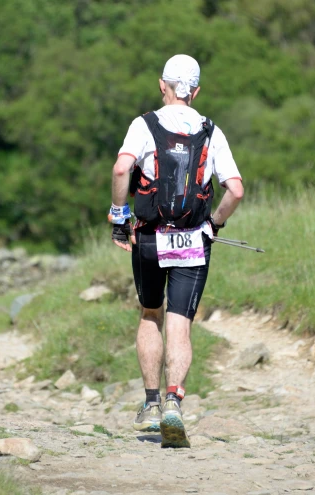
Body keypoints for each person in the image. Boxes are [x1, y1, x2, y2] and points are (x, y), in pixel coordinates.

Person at [108, 54, 244, 448]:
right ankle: (173, 403)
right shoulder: (210, 131)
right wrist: (213, 225)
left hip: (149, 237)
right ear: (196, 91)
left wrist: (120, 216)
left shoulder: (144, 125)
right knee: (180, 321)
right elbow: (235, 190)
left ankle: (150, 406)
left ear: (162, 86)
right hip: (192, 240)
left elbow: (121, 170)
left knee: (151, 312)